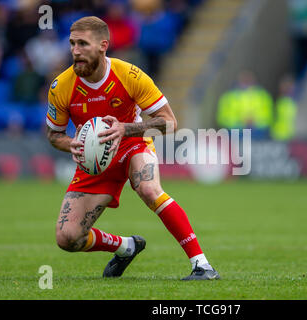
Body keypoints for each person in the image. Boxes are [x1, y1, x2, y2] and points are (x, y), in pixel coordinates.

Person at [45, 16, 219, 280]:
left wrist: (125, 128)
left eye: (83, 44)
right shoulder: (61, 87)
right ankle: (127, 247)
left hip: (132, 144)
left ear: (103, 45)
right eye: (72, 44)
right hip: (94, 158)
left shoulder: (129, 75)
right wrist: (73, 144)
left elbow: (169, 122)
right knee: (67, 238)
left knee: (149, 189)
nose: (75, 51)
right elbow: (53, 134)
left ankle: (202, 266)